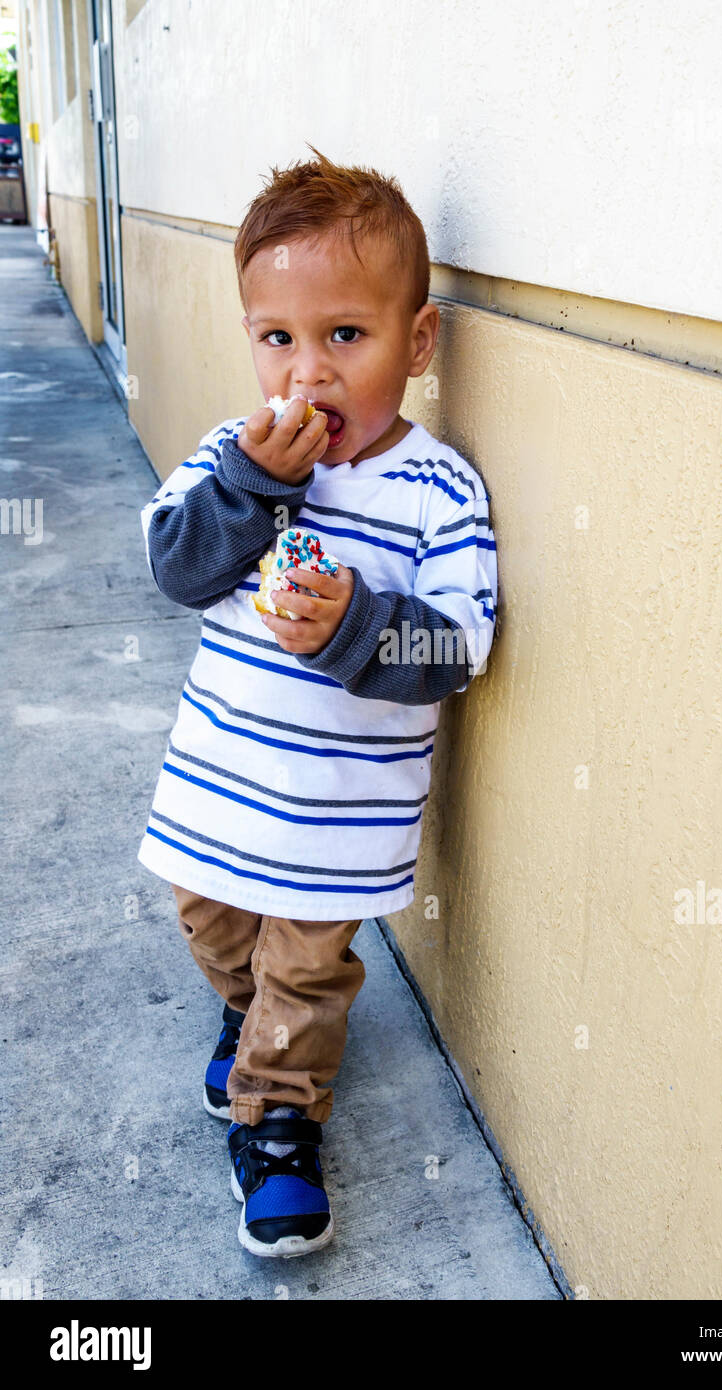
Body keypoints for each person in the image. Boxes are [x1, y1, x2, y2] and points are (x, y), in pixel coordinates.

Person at [138, 145, 498, 1258]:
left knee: (304, 965)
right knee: (216, 930)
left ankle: (280, 1117)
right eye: (278, 339)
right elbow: (175, 566)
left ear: (418, 341)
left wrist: (354, 624)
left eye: (346, 335)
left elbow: (460, 643)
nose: (308, 374)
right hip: (218, 786)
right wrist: (252, 485)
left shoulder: (437, 489)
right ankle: (245, 1018)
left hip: (333, 812)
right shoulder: (230, 452)